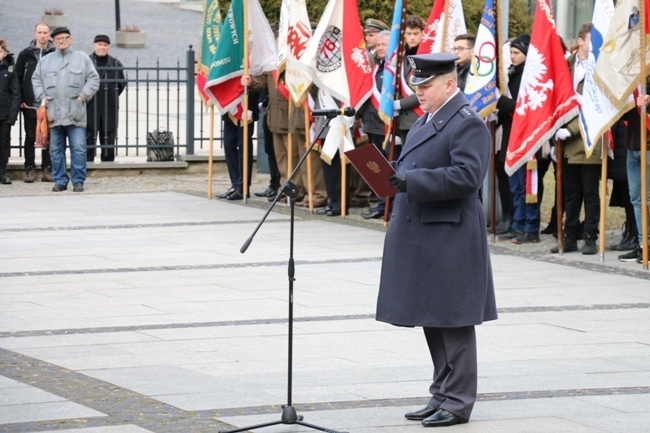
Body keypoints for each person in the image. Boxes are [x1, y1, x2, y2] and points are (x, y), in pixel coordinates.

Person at [376, 53, 497, 427]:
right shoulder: (427, 119)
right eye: (416, 86)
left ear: (449, 84)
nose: (419, 92)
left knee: (454, 320)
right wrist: (389, 174)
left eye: (426, 86)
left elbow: (467, 177)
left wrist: (412, 182)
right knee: (433, 317)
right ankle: (441, 393)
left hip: (450, 234)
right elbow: (417, 166)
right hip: (426, 232)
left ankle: (459, 401)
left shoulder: (467, 123)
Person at [550, 23, 601, 255]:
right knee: (571, 194)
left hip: (589, 139)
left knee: (590, 193)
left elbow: (594, 108)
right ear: (580, 41)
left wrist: (570, 130)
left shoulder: (598, 69)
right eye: (591, 39)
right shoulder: (567, 66)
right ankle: (569, 236)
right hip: (567, 143)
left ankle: (590, 236)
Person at [32, 27, 99, 192]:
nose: (61, 41)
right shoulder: (46, 61)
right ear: (53, 42)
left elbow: (93, 78)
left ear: (70, 39)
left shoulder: (82, 58)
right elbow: (36, 80)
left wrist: (83, 96)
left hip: (75, 113)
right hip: (53, 113)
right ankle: (60, 180)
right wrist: (42, 97)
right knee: (55, 150)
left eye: (64, 38)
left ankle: (78, 181)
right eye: (57, 39)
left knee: (78, 148)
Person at [497, 34, 542, 244]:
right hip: (512, 136)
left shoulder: (530, 77)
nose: (512, 57)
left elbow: (522, 107)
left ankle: (530, 227)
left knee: (527, 185)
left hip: (527, 137)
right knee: (515, 185)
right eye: (511, 53)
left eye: (516, 53)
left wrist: (499, 101)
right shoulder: (512, 74)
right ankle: (518, 223)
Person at [14, 22, 54, 182]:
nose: (42, 35)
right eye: (40, 32)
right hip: (30, 103)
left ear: (49, 34)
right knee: (30, 136)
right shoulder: (26, 54)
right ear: (35, 34)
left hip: (49, 102)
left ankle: (47, 168)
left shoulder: (55, 53)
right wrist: (21, 99)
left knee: (48, 137)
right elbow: (16, 78)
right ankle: (29, 168)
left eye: (45, 32)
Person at [360, 30, 391, 219]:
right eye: (378, 44)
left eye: (384, 44)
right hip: (371, 122)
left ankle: (387, 204)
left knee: (387, 165)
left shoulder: (392, 68)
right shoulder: (376, 66)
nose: (380, 47)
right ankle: (381, 202)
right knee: (374, 165)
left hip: (385, 125)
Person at [618, 88, 650, 263]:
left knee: (649, 198)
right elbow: (623, 116)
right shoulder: (631, 82)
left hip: (649, 146)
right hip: (633, 145)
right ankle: (642, 244)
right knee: (636, 199)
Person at [86, 34, 126, 162]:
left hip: (109, 106)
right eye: (99, 45)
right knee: (89, 136)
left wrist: (110, 97)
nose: (102, 47)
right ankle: (87, 163)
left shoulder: (116, 64)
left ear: (109, 47)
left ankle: (108, 163)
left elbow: (120, 85)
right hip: (90, 106)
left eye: (105, 45)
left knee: (109, 136)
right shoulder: (86, 62)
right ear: (94, 45)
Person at [0, 38, 21, 185]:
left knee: (3, 144)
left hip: (4, 113)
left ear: (4, 53)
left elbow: (15, 93)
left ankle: (2, 173)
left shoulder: (9, 68)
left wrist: (12, 116)